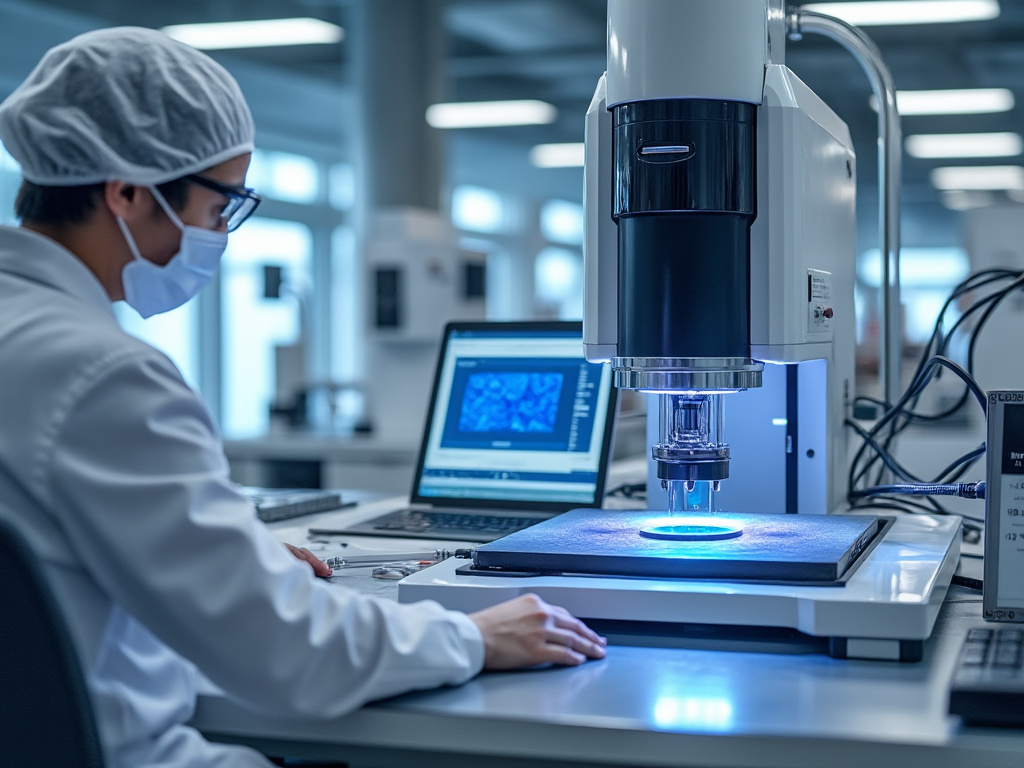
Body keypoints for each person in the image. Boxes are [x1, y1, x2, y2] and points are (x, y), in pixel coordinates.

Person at [0, 27, 605, 768]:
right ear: (126, 192)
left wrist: (226, 558)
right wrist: (475, 637)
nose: (220, 233)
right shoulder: (102, 374)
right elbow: (290, 654)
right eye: (220, 205)